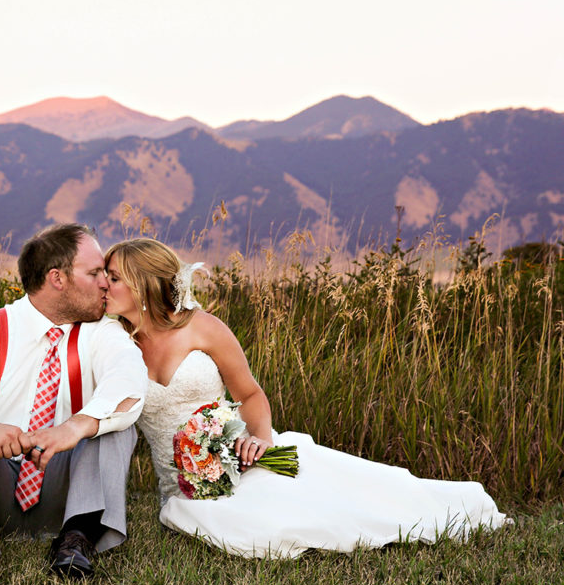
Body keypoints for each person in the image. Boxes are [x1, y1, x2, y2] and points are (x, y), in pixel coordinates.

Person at [103, 238, 509, 559]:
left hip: (245, 456)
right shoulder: (111, 342)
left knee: (312, 511)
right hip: (182, 486)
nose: (104, 284)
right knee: (234, 527)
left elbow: (249, 393)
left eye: (114, 276)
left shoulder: (204, 328)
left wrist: (260, 438)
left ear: (144, 283)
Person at [0, 223, 148, 585]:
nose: (106, 282)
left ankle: (77, 541)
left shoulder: (102, 333)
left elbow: (128, 380)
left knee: (116, 420)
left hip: (68, 489)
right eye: (94, 273)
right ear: (57, 278)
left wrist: (75, 426)